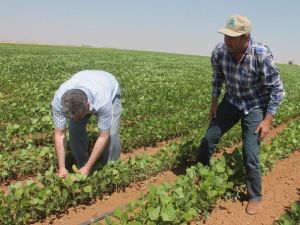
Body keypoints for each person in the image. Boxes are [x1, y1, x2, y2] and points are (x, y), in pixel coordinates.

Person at [196, 15, 284, 215]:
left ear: (246, 37)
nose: (227, 40)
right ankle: (200, 171)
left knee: (250, 153)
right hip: (232, 100)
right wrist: (214, 103)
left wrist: (268, 119)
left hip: (254, 105)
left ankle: (255, 195)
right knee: (208, 139)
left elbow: (278, 89)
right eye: (226, 35)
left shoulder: (261, 54)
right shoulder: (220, 51)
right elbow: (217, 77)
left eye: (232, 37)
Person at [51, 70, 122, 177]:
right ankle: (82, 165)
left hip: (108, 86)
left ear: (88, 105)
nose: (76, 119)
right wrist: (61, 168)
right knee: (74, 129)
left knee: (111, 133)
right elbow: (60, 135)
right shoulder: (58, 101)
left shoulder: (102, 100)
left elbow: (104, 136)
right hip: (84, 81)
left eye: (79, 116)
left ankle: (110, 167)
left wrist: (89, 168)